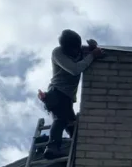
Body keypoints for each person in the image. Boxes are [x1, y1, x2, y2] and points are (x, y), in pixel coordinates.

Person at [39, 30, 103, 158]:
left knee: (72, 127)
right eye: (73, 50)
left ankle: (78, 152)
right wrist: (92, 55)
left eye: (77, 48)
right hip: (57, 93)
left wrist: (93, 48)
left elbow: (89, 53)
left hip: (67, 97)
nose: (76, 52)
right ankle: (52, 148)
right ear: (65, 48)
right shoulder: (57, 53)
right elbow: (75, 69)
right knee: (61, 119)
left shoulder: (78, 50)